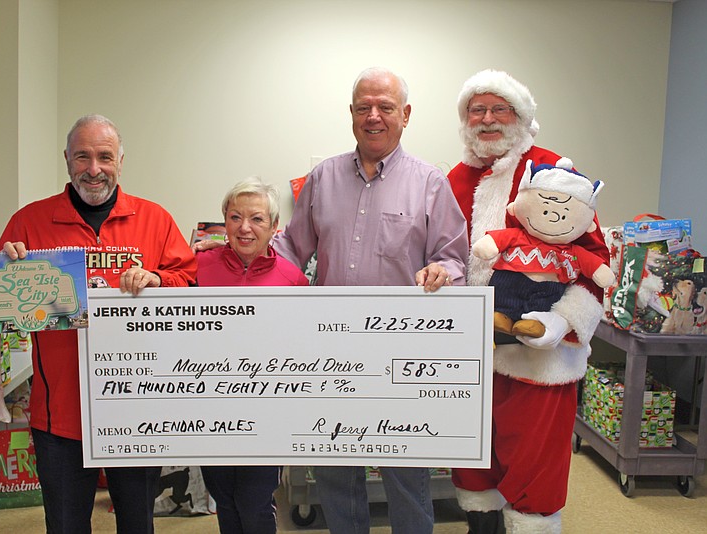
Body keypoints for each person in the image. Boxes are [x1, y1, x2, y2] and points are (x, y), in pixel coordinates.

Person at [273, 67, 469, 533]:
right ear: (351, 114)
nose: (374, 116)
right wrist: (234, 259)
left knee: (406, 474)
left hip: (401, 355)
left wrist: (444, 271)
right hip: (330, 352)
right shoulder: (322, 178)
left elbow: (455, 258)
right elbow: (290, 252)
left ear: (405, 115)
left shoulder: (429, 183)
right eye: (364, 107)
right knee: (336, 469)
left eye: (385, 107)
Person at [0, 114, 197, 533]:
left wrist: (159, 278)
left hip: (136, 405)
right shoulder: (29, 223)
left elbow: (190, 281)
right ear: (66, 160)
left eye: (104, 157)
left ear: (120, 161)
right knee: (67, 524)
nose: (93, 169)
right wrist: (6, 270)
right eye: (83, 157)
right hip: (60, 414)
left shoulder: (155, 219)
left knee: (137, 522)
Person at [446, 70, 609, 533]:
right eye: (477, 110)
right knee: (474, 455)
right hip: (473, 347)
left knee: (535, 463)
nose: (487, 119)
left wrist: (562, 322)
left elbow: (593, 258)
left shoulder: (553, 170)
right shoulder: (454, 178)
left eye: (500, 109)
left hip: (542, 355)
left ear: (522, 117)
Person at [197, 177, 308, 533]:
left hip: (267, 414)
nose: (245, 228)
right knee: (224, 499)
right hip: (210, 407)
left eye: (257, 219)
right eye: (235, 217)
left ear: (275, 227)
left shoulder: (292, 279)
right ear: (224, 221)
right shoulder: (197, 268)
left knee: (255, 501)